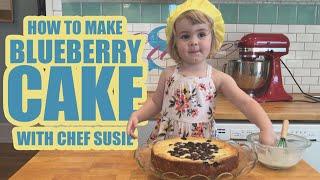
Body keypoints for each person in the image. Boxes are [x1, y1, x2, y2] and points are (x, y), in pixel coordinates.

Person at [126, 0, 276, 145]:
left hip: (203, 144)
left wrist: (266, 127)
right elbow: (155, 102)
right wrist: (137, 115)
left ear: (213, 38)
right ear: (175, 43)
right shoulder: (168, 74)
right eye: (185, 36)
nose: (194, 41)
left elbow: (246, 103)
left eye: (201, 34)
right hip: (167, 143)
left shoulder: (218, 78)